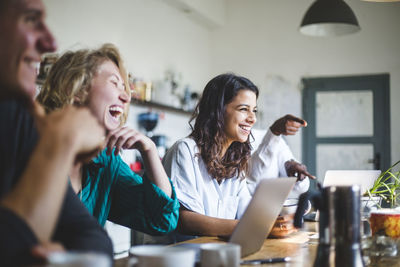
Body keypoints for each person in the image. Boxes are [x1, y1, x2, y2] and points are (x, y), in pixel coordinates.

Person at [0, 0, 113, 266]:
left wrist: (61, 254)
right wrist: (60, 142)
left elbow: (95, 238)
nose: (51, 42)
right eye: (31, 19)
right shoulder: (50, 133)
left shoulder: (15, 120)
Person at [36, 44, 180, 234]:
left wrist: (149, 150)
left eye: (124, 87)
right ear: (76, 89)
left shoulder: (106, 162)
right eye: (114, 83)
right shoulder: (29, 145)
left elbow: (162, 220)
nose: (126, 97)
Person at [162, 73, 314, 239]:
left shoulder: (235, 160)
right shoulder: (184, 150)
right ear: (217, 111)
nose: (252, 119)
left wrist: (283, 216)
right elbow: (185, 220)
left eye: (254, 111)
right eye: (243, 109)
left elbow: (246, 212)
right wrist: (257, 226)